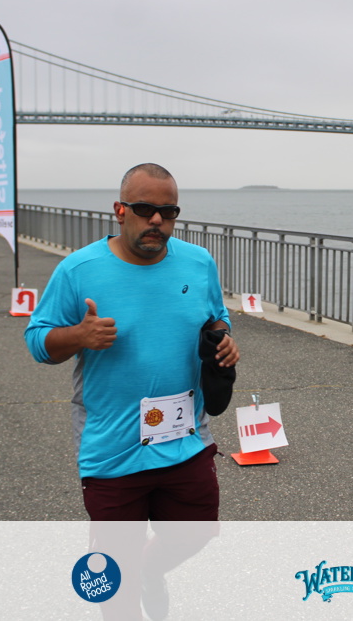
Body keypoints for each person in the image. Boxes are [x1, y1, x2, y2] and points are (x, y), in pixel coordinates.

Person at [24, 163, 239, 521]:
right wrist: (79, 335)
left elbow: (216, 317)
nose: (156, 220)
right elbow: (36, 342)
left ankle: (153, 560)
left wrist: (224, 339)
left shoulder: (199, 263)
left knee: (195, 538)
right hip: (113, 453)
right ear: (120, 211)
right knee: (118, 553)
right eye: (144, 209)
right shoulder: (78, 269)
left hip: (186, 443)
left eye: (168, 212)